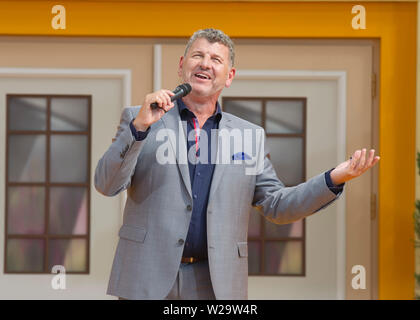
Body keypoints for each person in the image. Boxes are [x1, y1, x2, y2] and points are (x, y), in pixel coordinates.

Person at [94, 28, 380, 300]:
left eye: (216, 59)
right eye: (198, 56)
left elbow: (277, 205)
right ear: (182, 65)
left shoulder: (249, 136)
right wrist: (139, 128)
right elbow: (107, 185)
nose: (205, 64)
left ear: (229, 76)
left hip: (216, 283)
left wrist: (333, 179)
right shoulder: (141, 118)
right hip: (145, 277)